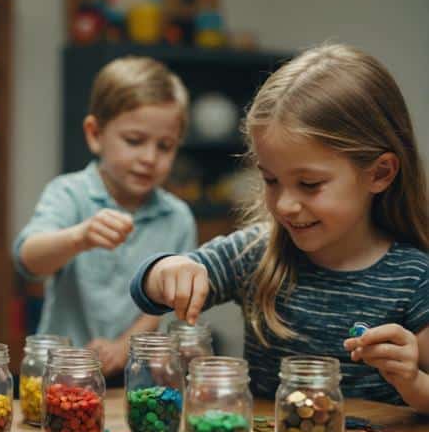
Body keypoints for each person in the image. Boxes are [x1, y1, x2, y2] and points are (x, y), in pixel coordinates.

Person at [131, 44, 429, 412]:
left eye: (309, 184)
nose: (285, 205)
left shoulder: (414, 277)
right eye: (271, 180)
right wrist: (167, 270)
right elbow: (148, 288)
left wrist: (413, 382)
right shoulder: (256, 253)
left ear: (379, 173)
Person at [13, 56, 196, 378]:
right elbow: (28, 260)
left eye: (165, 146)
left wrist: (125, 346)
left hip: (137, 379)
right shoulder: (68, 194)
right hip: (60, 375)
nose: (149, 158)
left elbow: (169, 304)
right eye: (134, 141)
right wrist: (78, 237)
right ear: (95, 134)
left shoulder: (178, 218)